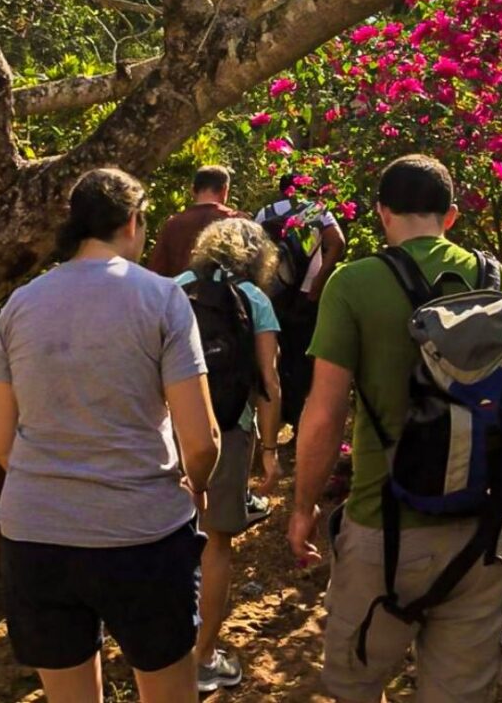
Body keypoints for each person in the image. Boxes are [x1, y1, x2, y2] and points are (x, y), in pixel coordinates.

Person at [288, 154, 502, 703]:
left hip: (384, 528)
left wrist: (303, 506)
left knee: (356, 684)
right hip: (484, 533)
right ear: (450, 216)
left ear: (382, 213)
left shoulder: (354, 284)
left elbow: (325, 412)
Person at [0, 167, 221, 703]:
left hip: (35, 536)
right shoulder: (161, 298)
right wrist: (198, 483)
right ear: (133, 223)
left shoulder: (19, 306)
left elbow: (1, 445)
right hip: (141, 534)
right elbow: (202, 439)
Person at [175, 218, 283, 693]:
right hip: (229, 432)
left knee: (166, 542)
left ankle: (164, 652)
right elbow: (268, 381)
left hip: (171, 431)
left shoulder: (171, 291)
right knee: (216, 543)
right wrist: (271, 448)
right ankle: (202, 658)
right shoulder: (255, 301)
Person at [254, 173, 346, 426]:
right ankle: (297, 416)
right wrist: (319, 280)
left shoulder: (266, 211)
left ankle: (277, 415)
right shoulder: (317, 210)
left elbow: (254, 251)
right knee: (302, 354)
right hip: (308, 294)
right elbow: (337, 243)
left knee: (275, 353)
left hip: (274, 294)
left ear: (282, 190)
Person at [148, 165, 247, 277]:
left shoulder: (173, 223)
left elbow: (156, 272)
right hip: (223, 293)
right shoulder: (237, 221)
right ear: (224, 190)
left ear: (193, 190)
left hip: (178, 291)